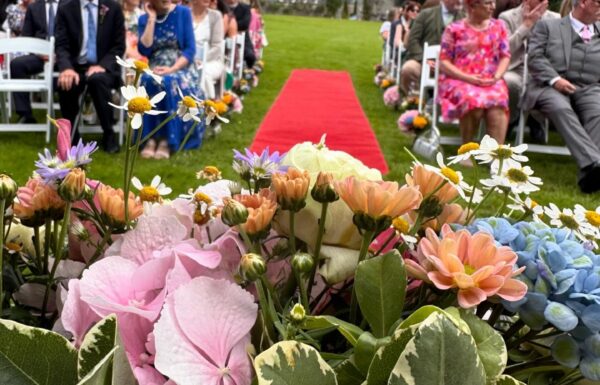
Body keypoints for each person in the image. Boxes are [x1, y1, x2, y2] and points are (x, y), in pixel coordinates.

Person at [523, 0, 600, 193]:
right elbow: (535, 57)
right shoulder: (548, 26)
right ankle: (593, 163)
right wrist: (555, 79)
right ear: (582, 2)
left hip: (589, 87)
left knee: (598, 112)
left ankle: (590, 176)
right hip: (549, 86)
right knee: (561, 108)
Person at [54, 0, 125, 153]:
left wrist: (103, 66)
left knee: (97, 80)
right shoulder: (66, 8)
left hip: (104, 67)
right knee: (66, 82)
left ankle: (108, 134)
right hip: (76, 66)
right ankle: (73, 138)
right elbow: (61, 44)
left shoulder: (113, 8)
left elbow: (118, 46)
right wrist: (66, 68)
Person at [438, 0, 511, 145]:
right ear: (472, 6)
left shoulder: (499, 27)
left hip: (491, 80)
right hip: (460, 79)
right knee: (473, 102)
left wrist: (497, 77)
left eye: (493, 2)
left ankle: (496, 157)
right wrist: (468, 77)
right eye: (487, 3)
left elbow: (505, 56)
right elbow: (443, 61)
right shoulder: (454, 29)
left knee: (498, 105)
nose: (493, 7)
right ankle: (467, 149)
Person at [138, 0, 204, 159]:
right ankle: (150, 139)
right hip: (154, 67)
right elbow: (145, 49)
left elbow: (190, 49)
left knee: (168, 82)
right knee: (147, 80)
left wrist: (172, 69)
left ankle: (167, 141)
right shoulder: (144, 19)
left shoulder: (183, 13)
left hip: (180, 67)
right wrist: (152, 18)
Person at [499, 0, 558, 141]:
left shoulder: (555, 18)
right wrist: (526, 25)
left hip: (542, 71)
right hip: (515, 68)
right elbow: (506, 49)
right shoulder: (506, 17)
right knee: (508, 82)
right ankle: (511, 118)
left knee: (548, 88)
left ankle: (535, 119)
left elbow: (557, 51)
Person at [399, 0, 463, 95]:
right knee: (408, 68)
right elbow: (413, 40)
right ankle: (411, 99)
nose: (460, 1)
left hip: (453, 66)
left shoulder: (465, 18)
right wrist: (425, 60)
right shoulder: (425, 14)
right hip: (424, 62)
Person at [9, 0, 56, 124]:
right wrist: (39, 53)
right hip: (40, 55)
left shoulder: (69, 5)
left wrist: (59, 55)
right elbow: (27, 36)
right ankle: (25, 115)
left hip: (64, 56)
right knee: (17, 64)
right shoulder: (34, 7)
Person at [190, 0, 224, 99]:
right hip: (188, 59)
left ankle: (209, 105)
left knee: (204, 73)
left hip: (211, 60)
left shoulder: (215, 16)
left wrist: (202, 60)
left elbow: (217, 46)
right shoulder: (185, 14)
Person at [227, 0, 254, 67]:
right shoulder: (222, 6)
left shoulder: (245, 8)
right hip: (225, 37)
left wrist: (230, 25)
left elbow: (245, 24)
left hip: (243, 38)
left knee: (250, 56)